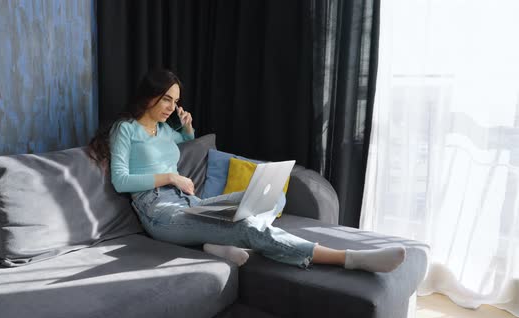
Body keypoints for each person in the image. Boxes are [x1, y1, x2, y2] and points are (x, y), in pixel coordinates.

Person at [88, 69, 405, 272]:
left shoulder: (162, 129)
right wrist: (170, 177)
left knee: (273, 198)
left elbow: (182, 142)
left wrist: (186, 127)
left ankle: (215, 244)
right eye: (166, 99)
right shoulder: (125, 129)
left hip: (189, 203)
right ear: (149, 95)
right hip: (158, 211)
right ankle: (348, 258)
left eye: (175, 100)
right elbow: (121, 180)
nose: (171, 106)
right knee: (248, 226)